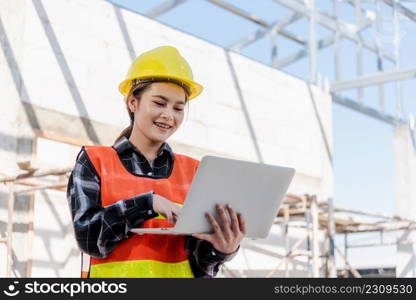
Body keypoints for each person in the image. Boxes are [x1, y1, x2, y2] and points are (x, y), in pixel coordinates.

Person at [67, 46, 246, 278]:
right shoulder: (95, 161)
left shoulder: (195, 172)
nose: (169, 115)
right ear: (133, 102)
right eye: (159, 103)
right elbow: (89, 239)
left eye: (178, 108)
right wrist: (148, 204)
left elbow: (200, 267)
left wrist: (223, 250)